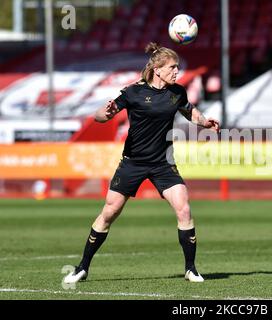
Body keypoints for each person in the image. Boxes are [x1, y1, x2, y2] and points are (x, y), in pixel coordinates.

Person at [63, 42, 220, 284]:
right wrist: (105, 112)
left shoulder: (177, 92)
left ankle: (190, 269)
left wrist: (205, 123)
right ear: (157, 69)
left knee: (184, 208)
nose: (177, 71)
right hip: (133, 162)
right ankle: (82, 267)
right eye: (172, 67)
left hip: (163, 163)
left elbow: (191, 113)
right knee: (109, 212)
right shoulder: (133, 92)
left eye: (177, 67)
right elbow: (102, 116)